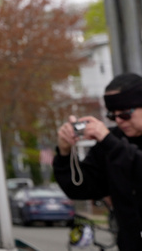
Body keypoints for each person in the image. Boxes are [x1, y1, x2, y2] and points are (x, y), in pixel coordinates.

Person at [55, 72, 142, 251]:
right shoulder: (112, 143)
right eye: (112, 115)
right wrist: (65, 153)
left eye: (125, 114)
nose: (118, 120)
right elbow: (79, 187)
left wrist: (109, 141)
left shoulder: (111, 143)